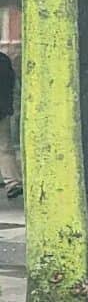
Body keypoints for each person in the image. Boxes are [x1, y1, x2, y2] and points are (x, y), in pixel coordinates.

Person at [0, 50, 22, 199]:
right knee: (5, 148)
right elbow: (12, 85)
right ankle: (13, 182)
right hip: (2, 111)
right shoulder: (4, 60)